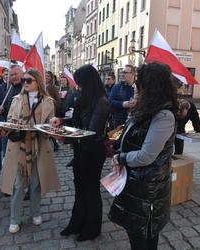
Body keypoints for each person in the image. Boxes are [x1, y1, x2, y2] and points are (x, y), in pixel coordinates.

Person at [108, 62, 177, 250]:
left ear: (150, 87)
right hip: (137, 184)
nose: (136, 87)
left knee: (143, 238)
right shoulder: (146, 108)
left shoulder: (163, 115)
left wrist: (120, 158)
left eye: (140, 84)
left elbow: (146, 156)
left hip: (148, 189)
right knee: (139, 236)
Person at [50, 64, 110, 241]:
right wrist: (60, 121)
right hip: (81, 149)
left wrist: (64, 135)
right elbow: (77, 118)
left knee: (90, 189)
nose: (78, 87)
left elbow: (90, 132)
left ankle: (92, 227)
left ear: (88, 82)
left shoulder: (102, 102)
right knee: (79, 187)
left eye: (80, 83)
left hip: (93, 151)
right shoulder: (85, 96)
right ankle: (77, 222)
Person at [0, 69, 60, 234]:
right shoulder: (16, 99)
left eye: (29, 80)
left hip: (39, 145)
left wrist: (53, 122)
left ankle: (36, 212)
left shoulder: (48, 101)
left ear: (37, 82)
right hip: (19, 146)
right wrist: (12, 130)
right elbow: (10, 119)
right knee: (18, 185)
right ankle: (14, 219)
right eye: (24, 80)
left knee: (36, 183)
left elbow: (49, 122)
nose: (25, 82)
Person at [0, 65, 24, 157]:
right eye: (11, 75)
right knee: (7, 157)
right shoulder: (10, 87)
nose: (13, 77)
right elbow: (8, 106)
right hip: (8, 128)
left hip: (21, 130)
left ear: (22, 74)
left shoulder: (27, 88)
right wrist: (1, 109)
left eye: (16, 74)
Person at [45, 71, 60, 151]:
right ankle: (53, 144)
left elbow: (58, 100)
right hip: (44, 109)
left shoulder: (53, 87)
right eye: (45, 76)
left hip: (51, 110)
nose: (46, 77)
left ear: (50, 77)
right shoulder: (42, 86)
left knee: (50, 126)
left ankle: (55, 144)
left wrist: (50, 100)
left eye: (47, 76)